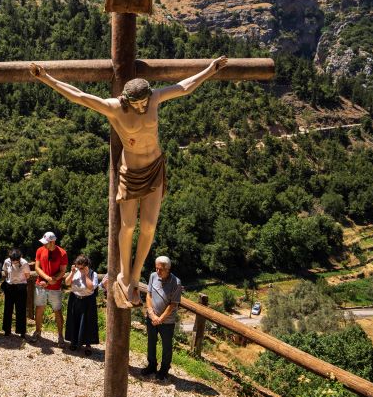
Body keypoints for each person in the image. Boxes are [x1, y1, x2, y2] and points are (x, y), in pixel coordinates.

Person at [30, 56, 228, 308]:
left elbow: (184, 87)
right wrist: (46, 78)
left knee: (148, 227)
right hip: (131, 172)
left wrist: (210, 70)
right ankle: (125, 275)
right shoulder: (115, 107)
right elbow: (79, 96)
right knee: (129, 226)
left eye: (146, 100)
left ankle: (134, 278)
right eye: (138, 103)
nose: (143, 105)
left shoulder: (154, 98)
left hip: (154, 167)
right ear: (127, 100)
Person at [142, 256, 183, 381]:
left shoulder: (176, 282)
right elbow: (148, 295)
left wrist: (160, 319)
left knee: (166, 346)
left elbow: (173, 304)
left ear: (168, 269)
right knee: (151, 342)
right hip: (152, 317)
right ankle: (152, 366)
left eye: (161, 269)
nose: (158, 271)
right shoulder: (153, 276)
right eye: (156, 268)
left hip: (167, 321)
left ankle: (164, 370)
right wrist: (151, 313)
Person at [34, 231, 68, 344]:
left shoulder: (62, 253)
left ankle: (60, 336)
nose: (44, 244)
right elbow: (37, 267)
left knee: (57, 310)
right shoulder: (40, 250)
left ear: (53, 242)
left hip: (55, 287)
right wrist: (47, 278)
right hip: (40, 284)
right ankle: (37, 331)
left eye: (46, 242)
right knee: (39, 309)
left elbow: (63, 271)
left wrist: (52, 280)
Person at [64, 255, 99, 354]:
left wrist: (86, 274)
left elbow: (91, 288)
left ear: (86, 266)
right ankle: (74, 342)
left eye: (82, 267)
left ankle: (88, 345)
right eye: (78, 266)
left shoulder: (93, 274)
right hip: (75, 299)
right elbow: (67, 283)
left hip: (88, 300)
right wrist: (72, 272)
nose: (80, 269)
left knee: (88, 323)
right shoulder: (75, 272)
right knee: (73, 321)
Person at [1, 248, 31, 338]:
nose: (14, 262)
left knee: (21, 309)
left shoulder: (24, 263)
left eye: (16, 261)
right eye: (12, 260)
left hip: (21, 287)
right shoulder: (6, 261)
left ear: (20, 258)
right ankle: (7, 330)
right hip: (9, 287)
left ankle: (21, 331)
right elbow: (5, 272)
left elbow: (28, 275)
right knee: (8, 309)